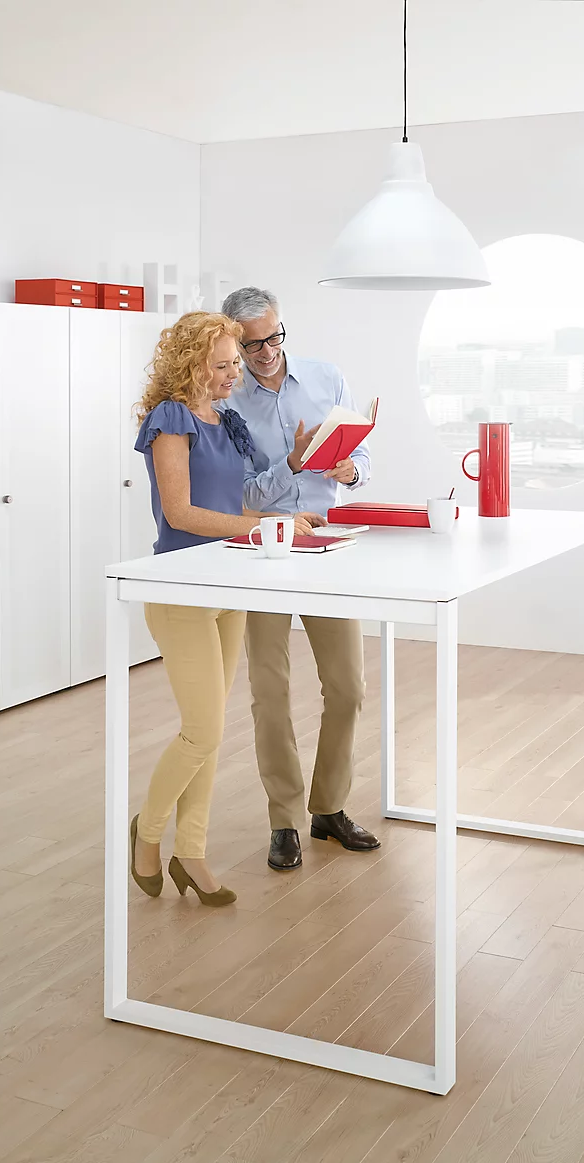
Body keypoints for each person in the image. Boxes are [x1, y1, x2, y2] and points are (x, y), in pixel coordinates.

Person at [129, 311, 321, 905]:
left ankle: (191, 852)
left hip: (227, 589)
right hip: (181, 591)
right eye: (221, 364)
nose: (234, 373)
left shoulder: (228, 421)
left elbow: (234, 506)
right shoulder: (171, 419)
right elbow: (182, 513)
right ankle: (147, 833)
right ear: (190, 364)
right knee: (202, 730)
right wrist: (261, 528)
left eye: (236, 362)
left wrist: (281, 517)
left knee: (209, 735)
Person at [220, 286, 381, 871]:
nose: (266, 352)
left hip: (327, 548)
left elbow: (364, 458)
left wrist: (351, 470)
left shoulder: (325, 377)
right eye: (251, 345)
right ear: (233, 342)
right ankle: (283, 820)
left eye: (274, 337)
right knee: (271, 692)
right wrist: (290, 465)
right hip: (263, 551)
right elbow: (238, 494)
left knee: (348, 687)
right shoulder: (227, 400)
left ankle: (329, 808)